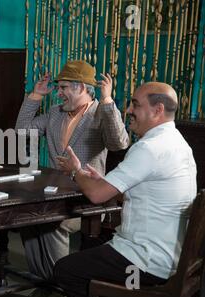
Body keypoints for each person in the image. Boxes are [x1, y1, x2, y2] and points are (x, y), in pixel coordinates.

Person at [54, 82, 197, 297]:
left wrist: (76, 171)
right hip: (172, 258)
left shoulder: (149, 148)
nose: (128, 110)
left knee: (66, 271)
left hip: (145, 265)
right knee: (90, 247)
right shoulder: (178, 143)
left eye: (135, 105)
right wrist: (105, 181)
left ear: (157, 110)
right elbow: (145, 189)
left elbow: (96, 195)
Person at [15, 60, 129, 280]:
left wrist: (107, 100)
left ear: (82, 87)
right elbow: (21, 131)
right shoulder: (55, 113)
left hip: (88, 197)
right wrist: (36, 95)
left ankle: (63, 282)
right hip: (52, 193)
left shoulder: (102, 112)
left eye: (63, 87)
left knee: (53, 222)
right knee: (25, 219)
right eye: (58, 88)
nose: (58, 93)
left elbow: (119, 143)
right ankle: (46, 279)